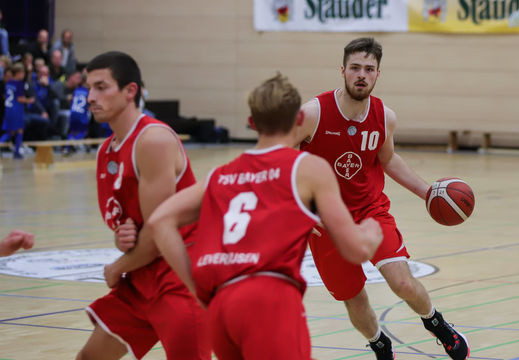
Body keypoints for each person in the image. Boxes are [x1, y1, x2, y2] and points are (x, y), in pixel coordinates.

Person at [104, 73, 384, 359]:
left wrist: (193, 284)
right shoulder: (306, 168)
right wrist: (371, 232)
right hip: (270, 298)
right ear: (299, 120)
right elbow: (354, 249)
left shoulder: (221, 174)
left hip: (221, 304)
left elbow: (160, 220)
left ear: (252, 123)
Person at [295, 37, 470, 360]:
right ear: (343, 71)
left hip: (370, 211)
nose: (361, 75)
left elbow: (388, 160)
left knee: (403, 284)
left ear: (377, 74)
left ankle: (437, 324)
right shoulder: (312, 113)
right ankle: (379, 343)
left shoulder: (384, 116)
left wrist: (428, 192)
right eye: (355, 68)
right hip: (326, 223)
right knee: (354, 298)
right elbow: (281, 160)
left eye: (369, 69)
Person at [75, 51, 209, 360]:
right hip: (142, 277)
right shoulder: (106, 151)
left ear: (130, 91)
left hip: (180, 276)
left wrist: (117, 266)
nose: (90, 97)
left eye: (101, 87)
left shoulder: (153, 140)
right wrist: (121, 239)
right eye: (88, 88)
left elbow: (161, 231)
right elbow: (132, 227)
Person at [0, 63, 33, 159]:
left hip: (8, 109)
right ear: (18, 73)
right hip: (16, 109)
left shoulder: (8, 82)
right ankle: (17, 152)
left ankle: (16, 152)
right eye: (23, 73)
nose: (23, 75)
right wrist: (28, 100)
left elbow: (6, 96)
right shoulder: (19, 83)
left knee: (12, 131)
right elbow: (19, 99)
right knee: (18, 130)